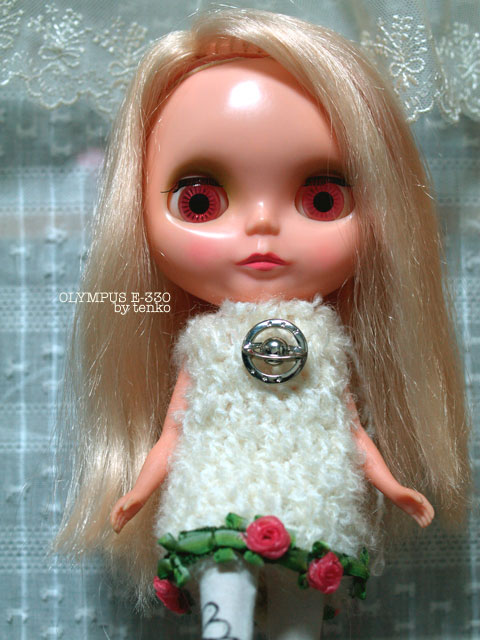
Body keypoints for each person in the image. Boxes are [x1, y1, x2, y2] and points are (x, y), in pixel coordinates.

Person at [56, 9, 470, 640]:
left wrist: (393, 484)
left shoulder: (324, 342)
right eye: (201, 201)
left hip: (312, 495)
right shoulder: (206, 343)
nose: (262, 225)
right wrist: (137, 491)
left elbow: (348, 426)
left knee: (303, 614)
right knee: (225, 604)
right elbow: (176, 427)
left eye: (322, 198)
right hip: (216, 486)